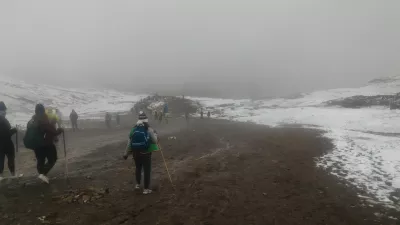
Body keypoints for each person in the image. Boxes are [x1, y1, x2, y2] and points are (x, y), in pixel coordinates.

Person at [123, 111, 158, 195]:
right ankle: (146, 189)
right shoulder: (149, 129)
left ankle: (138, 185)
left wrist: (126, 154)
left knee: (138, 168)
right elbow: (155, 141)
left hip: (135, 153)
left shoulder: (133, 129)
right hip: (146, 153)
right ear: (146, 120)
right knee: (147, 170)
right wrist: (155, 134)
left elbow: (129, 143)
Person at [31, 104, 63, 183]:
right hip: (47, 144)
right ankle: (43, 174)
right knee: (52, 159)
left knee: (40, 160)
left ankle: (42, 175)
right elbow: (53, 131)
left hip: (36, 145)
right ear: (43, 110)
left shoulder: (32, 120)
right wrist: (60, 130)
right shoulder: (44, 118)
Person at [0, 102, 17, 181]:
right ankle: (13, 174)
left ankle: (1, 176)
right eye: (3, 110)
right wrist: (14, 130)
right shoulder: (3, 120)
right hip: (6, 143)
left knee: (1, 159)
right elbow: (6, 134)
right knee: (10, 158)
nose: (5, 112)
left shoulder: (4, 119)